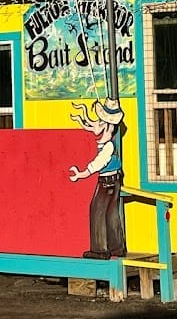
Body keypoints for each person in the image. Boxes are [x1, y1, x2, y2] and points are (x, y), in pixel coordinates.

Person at [68, 98, 126, 259]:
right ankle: (116, 247)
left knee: (97, 211)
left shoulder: (108, 147)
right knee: (111, 213)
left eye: (101, 122)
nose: (96, 125)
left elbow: (97, 164)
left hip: (106, 181)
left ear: (109, 127)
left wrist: (82, 173)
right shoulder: (109, 144)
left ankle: (100, 249)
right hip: (114, 180)